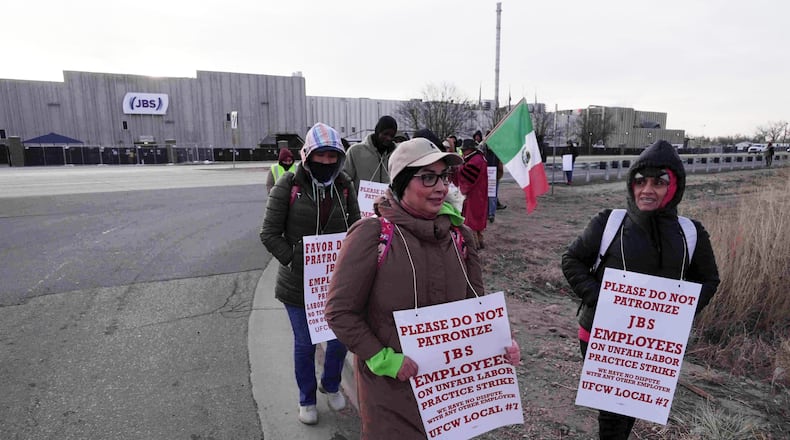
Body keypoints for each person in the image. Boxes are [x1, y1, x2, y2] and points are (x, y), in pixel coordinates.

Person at [325, 137, 520, 438]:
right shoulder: (372, 235)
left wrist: (500, 345)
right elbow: (340, 312)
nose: (441, 187)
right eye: (427, 177)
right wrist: (385, 360)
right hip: (389, 393)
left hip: (448, 396)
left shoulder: (460, 236)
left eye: (443, 177)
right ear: (402, 183)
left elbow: (475, 311)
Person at [561, 139, 720, 439]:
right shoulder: (609, 223)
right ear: (631, 185)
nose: (647, 189)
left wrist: (678, 312)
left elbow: (709, 279)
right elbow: (572, 260)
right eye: (640, 181)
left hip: (653, 343)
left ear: (674, 187)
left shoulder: (691, 233)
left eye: (659, 182)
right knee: (611, 412)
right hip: (600, 335)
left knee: (634, 405)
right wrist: (600, 299)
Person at [259, 122, 361, 425]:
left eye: (332, 157)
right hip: (297, 285)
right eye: (321, 157)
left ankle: (330, 384)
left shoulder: (345, 186)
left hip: (335, 284)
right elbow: (269, 234)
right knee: (305, 344)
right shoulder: (287, 186)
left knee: (339, 339)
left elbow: (355, 228)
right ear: (308, 156)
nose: (326, 163)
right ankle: (306, 397)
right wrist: (295, 260)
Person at [344, 115, 398, 195]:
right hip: (360, 204)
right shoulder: (355, 151)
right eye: (385, 134)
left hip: (389, 204)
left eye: (392, 136)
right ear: (377, 131)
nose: (388, 138)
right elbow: (345, 178)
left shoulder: (397, 154)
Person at [456, 137, 489, 248]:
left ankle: (474, 244)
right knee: (478, 219)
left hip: (474, 194)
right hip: (481, 192)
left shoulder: (474, 161)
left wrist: (460, 167)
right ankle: (480, 241)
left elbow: (467, 176)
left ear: (470, 149)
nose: (463, 152)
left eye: (464, 150)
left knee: (472, 220)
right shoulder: (480, 158)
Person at [481, 131, 505, 223]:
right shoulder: (483, 150)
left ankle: (491, 214)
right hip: (485, 176)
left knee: (492, 196)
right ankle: (486, 212)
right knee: (485, 195)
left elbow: (500, 164)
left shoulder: (497, 151)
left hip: (494, 176)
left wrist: (498, 174)